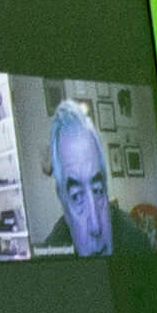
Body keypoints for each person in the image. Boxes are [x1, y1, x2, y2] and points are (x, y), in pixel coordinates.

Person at [49, 91, 115, 257]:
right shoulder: (49, 260)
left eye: (99, 190)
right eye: (77, 196)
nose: (96, 226)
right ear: (62, 199)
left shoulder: (136, 242)